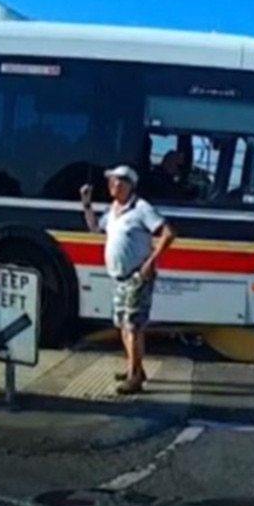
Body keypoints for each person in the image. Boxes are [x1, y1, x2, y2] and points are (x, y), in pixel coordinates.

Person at [80, 165, 176, 394]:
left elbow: (168, 233)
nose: (111, 185)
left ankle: (135, 377)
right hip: (119, 277)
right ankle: (135, 367)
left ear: (128, 184)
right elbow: (95, 228)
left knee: (132, 326)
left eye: (116, 181)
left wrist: (149, 262)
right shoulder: (113, 209)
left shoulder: (141, 208)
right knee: (123, 324)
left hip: (135, 275)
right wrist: (86, 204)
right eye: (111, 181)